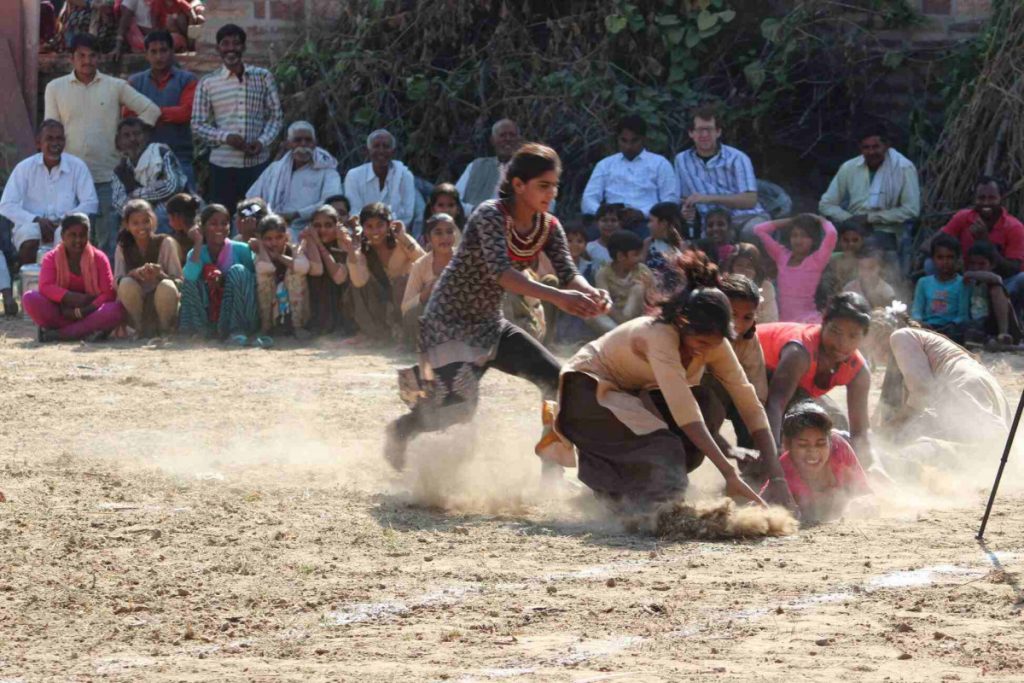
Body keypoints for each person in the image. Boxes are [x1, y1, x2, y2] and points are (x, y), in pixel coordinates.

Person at [383, 143, 611, 472]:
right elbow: (501, 274)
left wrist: (593, 293)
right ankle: (401, 430)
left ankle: (552, 466)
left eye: (554, 185)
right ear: (518, 185)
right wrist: (561, 298)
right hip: (448, 326)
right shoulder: (489, 214)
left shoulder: (549, 226)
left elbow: (569, 272)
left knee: (556, 380)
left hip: (491, 324)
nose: (552, 193)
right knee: (458, 411)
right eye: (543, 185)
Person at [556, 253, 793, 509]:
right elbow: (685, 412)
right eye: (699, 343)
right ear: (682, 324)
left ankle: (630, 497)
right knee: (666, 447)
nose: (703, 351)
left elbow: (749, 403)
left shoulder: (714, 341)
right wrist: (729, 472)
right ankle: (652, 509)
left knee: (707, 406)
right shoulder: (659, 335)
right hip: (585, 392)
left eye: (712, 344)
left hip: (629, 399)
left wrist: (778, 477)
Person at [44, 33, 161, 256]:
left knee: (108, 239)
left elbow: (151, 111)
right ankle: (74, 284)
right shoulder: (55, 88)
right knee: (72, 238)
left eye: (92, 56)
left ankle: (107, 287)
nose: (87, 61)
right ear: (72, 58)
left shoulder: (115, 86)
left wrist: (130, 139)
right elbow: (51, 129)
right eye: (81, 56)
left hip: (108, 175)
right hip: (71, 177)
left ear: (100, 58)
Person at [757, 292, 877, 468]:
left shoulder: (858, 370)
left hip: (790, 391)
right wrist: (774, 456)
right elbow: (775, 404)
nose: (842, 343)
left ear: (863, 337)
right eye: (836, 332)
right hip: (742, 374)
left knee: (834, 425)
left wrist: (873, 465)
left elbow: (861, 430)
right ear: (823, 323)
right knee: (803, 425)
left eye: (853, 336)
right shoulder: (800, 352)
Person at [870, 310, 1012, 442]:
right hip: (983, 386)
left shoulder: (900, 336)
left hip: (963, 383)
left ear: (879, 336)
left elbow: (922, 393)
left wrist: (891, 427)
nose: (873, 352)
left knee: (995, 442)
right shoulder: (911, 347)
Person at [192, 24, 283, 214]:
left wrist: (262, 142)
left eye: (236, 43)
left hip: (257, 164)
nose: (231, 48)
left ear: (243, 47)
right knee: (223, 217)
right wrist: (226, 137)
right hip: (223, 166)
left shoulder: (263, 77)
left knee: (256, 215)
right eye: (225, 44)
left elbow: (275, 117)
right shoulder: (208, 83)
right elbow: (197, 124)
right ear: (218, 48)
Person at [819, 122, 920, 272]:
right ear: (860, 148)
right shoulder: (849, 167)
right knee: (827, 256)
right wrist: (850, 220)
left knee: (874, 250)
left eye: (875, 147)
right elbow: (826, 204)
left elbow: (912, 210)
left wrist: (870, 218)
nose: (871, 152)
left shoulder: (904, 167)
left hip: (886, 231)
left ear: (886, 146)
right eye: (866, 147)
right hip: (851, 229)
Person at [0, 120, 98, 269]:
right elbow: (6, 205)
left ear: (65, 142)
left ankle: (65, 285)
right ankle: (31, 283)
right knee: (29, 235)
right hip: (32, 223)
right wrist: (36, 220)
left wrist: (65, 220)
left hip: (65, 224)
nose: (55, 143)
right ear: (39, 143)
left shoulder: (77, 166)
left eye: (59, 139)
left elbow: (91, 202)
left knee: (67, 236)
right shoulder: (25, 168)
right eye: (50, 139)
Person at [674, 103, 770, 242]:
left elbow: (750, 200)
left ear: (718, 132)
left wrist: (709, 198)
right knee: (715, 238)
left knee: (752, 232)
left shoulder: (737, 158)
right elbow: (683, 196)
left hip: (747, 216)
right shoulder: (682, 160)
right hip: (711, 221)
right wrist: (687, 208)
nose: (705, 135)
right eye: (700, 130)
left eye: (709, 130)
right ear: (691, 133)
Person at [22, 213, 125, 341]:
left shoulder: (99, 258)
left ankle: (61, 334)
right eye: (72, 235)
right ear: (62, 236)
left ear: (89, 236)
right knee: (30, 298)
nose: (78, 240)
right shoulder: (51, 258)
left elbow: (108, 294)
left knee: (115, 309)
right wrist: (71, 297)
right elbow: (45, 287)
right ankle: (81, 332)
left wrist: (84, 310)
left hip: (91, 313)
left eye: (82, 235)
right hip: (61, 313)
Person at [762, 402, 871, 523]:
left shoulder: (839, 448)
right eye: (803, 445)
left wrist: (860, 505)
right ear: (788, 445)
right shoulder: (783, 472)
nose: (813, 452)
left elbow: (866, 493)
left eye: (821, 444)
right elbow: (759, 506)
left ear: (830, 442)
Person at [937, 176, 1024, 315]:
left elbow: (1014, 269)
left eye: (991, 198)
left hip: (1001, 283)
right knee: (931, 264)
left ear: (1001, 198)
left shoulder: (1014, 227)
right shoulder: (963, 218)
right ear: (974, 199)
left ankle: (1011, 318)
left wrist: (985, 241)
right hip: (966, 280)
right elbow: (940, 241)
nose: (986, 203)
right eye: (981, 198)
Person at [245, 121, 342, 241]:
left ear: (315, 143)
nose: (303, 144)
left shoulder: (327, 170)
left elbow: (331, 202)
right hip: (270, 224)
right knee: (241, 220)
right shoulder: (275, 169)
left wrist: (296, 214)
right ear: (289, 144)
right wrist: (250, 216)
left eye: (308, 140)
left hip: (307, 228)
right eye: (298, 140)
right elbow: (253, 200)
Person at [178, 203, 261, 344]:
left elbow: (252, 284)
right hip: (210, 313)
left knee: (238, 271)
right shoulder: (197, 252)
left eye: (224, 224)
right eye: (213, 224)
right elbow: (190, 278)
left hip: (239, 312)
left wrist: (224, 281)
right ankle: (202, 331)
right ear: (203, 227)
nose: (219, 228)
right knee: (192, 281)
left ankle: (237, 330)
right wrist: (198, 242)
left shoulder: (241, 249)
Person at [581, 115, 678, 235]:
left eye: (634, 140)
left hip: (646, 222)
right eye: (624, 140)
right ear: (617, 139)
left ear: (643, 139)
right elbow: (588, 199)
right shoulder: (605, 165)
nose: (628, 146)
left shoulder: (660, 164)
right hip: (611, 223)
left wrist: (642, 213)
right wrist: (607, 216)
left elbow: (670, 201)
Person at [126, 30, 199, 189]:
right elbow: (128, 117)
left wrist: (148, 113)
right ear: (146, 54)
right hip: (143, 161)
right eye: (153, 52)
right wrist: (167, 113)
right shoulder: (135, 82)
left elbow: (186, 113)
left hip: (180, 158)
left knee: (186, 208)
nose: (159, 57)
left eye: (163, 51)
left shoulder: (187, 80)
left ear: (172, 52)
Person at [346, 202, 425, 343]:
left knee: (402, 282)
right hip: (383, 302)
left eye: (379, 225)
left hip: (408, 298)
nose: (375, 231)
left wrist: (403, 237)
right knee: (355, 288)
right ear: (363, 228)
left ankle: (406, 333)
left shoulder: (401, 241)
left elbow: (425, 262)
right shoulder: (363, 249)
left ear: (389, 225)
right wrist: (354, 250)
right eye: (369, 227)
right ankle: (376, 333)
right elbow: (359, 282)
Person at [113, 198, 183, 337]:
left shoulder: (165, 243)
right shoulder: (123, 247)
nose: (142, 227)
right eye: (135, 223)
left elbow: (179, 281)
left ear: (154, 220)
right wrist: (134, 274)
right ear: (127, 225)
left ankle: (165, 329)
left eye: (146, 221)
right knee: (126, 283)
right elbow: (117, 282)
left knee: (167, 286)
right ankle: (138, 328)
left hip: (162, 303)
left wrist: (160, 274)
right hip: (137, 304)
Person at [755, 214, 838, 323]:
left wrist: (820, 220)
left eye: (804, 236)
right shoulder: (782, 256)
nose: (798, 240)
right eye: (794, 235)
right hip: (782, 320)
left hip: (808, 319)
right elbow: (759, 229)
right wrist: (792, 220)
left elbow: (832, 234)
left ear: (813, 240)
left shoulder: (817, 261)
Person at [110, 117, 188, 228]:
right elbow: (119, 203)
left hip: (172, 210)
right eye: (126, 136)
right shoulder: (120, 170)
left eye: (137, 134)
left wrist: (136, 195)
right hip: (138, 215)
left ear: (146, 136)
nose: (132, 139)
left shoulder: (161, 153)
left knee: (160, 214)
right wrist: (142, 209)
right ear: (119, 141)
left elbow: (171, 186)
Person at [401, 213, 459, 347]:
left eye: (449, 232)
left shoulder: (466, 260)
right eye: (438, 233)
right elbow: (405, 308)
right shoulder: (420, 265)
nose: (445, 237)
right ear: (428, 238)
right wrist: (426, 293)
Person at [251, 214, 311, 340]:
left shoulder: (294, 249)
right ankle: (265, 326)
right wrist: (262, 247)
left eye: (279, 237)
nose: (274, 243)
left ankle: (298, 326)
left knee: (294, 274)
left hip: (293, 304)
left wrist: (279, 257)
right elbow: (265, 268)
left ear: (286, 236)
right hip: (273, 305)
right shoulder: (260, 254)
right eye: (268, 239)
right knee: (265, 278)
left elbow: (303, 267)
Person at [343, 130, 417, 228]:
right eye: (376, 146)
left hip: (395, 235)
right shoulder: (354, 176)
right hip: (362, 234)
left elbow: (407, 215)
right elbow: (354, 213)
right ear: (368, 151)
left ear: (393, 151)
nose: (381, 151)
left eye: (386, 146)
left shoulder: (405, 176)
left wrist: (385, 231)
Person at [302, 204, 354, 336]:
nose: (322, 230)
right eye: (317, 226)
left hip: (341, 303)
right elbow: (316, 270)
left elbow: (338, 278)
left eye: (328, 225)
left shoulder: (344, 244)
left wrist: (319, 244)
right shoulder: (307, 243)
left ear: (337, 226)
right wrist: (311, 241)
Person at [911, 234, 969, 342]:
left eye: (950, 257)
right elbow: (916, 310)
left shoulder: (962, 283)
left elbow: (963, 315)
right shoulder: (923, 282)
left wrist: (952, 325)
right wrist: (920, 322)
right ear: (933, 259)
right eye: (940, 257)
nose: (945, 262)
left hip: (952, 329)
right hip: (928, 327)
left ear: (958, 259)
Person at [456, 118, 522, 213]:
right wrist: (474, 211)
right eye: (502, 135)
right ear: (493, 140)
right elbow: (454, 200)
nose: (508, 139)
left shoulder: (529, 169)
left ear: (519, 140)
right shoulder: (476, 166)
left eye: (512, 135)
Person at [591, 231, 653, 332]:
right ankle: (620, 333)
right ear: (620, 256)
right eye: (636, 254)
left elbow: (654, 298)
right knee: (591, 316)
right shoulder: (603, 274)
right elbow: (605, 304)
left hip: (637, 320)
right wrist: (621, 319)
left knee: (638, 288)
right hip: (614, 319)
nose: (640, 258)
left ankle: (621, 333)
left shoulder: (643, 270)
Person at [963, 241, 1021, 345]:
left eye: (981, 264)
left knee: (996, 290)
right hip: (976, 324)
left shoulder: (992, 281)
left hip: (995, 324)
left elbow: (995, 279)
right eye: (973, 264)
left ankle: (1003, 334)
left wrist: (971, 274)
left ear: (992, 264)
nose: (976, 268)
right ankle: (989, 340)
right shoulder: (967, 281)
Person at [115, 0, 193, 55]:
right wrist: (118, 46)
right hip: (143, 37)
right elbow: (124, 20)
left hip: (163, 34)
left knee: (177, 32)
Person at [726, 242, 778, 324]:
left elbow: (771, 320)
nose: (744, 270)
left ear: (756, 270)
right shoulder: (725, 286)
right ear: (732, 267)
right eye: (739, 265)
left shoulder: (766, 287)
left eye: (749, 266)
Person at [585, 203, 624, 268]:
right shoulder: (589, 248)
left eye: (613, 220)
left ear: (620, 224)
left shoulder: (627, 248)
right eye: (604, 220)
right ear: (596, 223)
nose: (609, 224)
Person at [165, 192, 200, 262]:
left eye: (170, 218)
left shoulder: (197, 236)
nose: (169, 223)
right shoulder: (180, 234)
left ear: (176, 216)